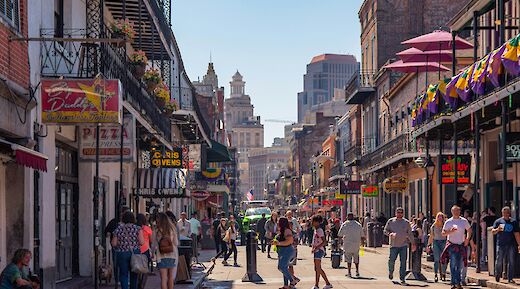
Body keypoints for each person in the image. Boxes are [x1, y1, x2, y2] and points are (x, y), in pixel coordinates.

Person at [112, 211, 145, 289]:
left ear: (123, 219)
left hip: (122, 253)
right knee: (134, 274)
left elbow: (114, 243)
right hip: (135, 252)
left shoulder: (118, 229)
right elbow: (142, 242)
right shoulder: (137, 228)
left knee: (123, 274)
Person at [442, 205, 472, 289]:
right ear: (452, 212)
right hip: (452, 245)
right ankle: (454, 282)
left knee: (459, 265)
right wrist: (450, 231)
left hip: (461, 245)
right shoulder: (448, 222)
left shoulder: (464, 221)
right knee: (453, 263)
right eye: (454, 211)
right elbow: (443, 233)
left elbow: (469, 230)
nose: (456, 212)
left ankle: (457, 282)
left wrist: (467, 239)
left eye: (458, 211)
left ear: (460, 212)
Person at [384, 207, 415, 285]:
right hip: (393, 245)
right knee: (391, 261)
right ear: (395, 213)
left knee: (403, 262)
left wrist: (413, 243)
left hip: (403, 245)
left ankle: (402, 278)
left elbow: (410, 234)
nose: (399, 214)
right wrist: (390, 234)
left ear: (403, 213)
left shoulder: (406, 222)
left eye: (401, 212)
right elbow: (385, 230)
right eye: (398, 212)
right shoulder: (391, 221)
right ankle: (391, 272)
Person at [491, 206, 520, 284]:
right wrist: (497, 229)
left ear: (509, 213)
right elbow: (493, 232)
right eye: (504, 213)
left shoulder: (513, 222)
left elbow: (516, 233)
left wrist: (519, 244)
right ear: (502, 213)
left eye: (507, 213)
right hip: (501, 244)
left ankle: (510, 278)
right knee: (499, 260)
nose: (506, 214)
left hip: (511, 244)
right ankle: (497, 275)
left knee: (511, 261)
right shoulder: (498, 221)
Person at [155, 212, 179, 289]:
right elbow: (176, 243)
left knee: (163, 278)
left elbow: (154, 244)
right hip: (172, 255)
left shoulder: (157, 230)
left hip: (161, 256)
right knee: (171, 278)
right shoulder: (172, 229)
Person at [273, 217, 297, 289]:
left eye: (278, 222)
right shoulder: (282, 230)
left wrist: (279, 243)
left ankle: (293, 280)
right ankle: (286, 285)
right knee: (284, 268)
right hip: (282, 251)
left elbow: (289, 241)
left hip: (287, 251)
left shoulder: (287, 231)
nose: (277, 223)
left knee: (282, 267)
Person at [338, 212, 364, 278]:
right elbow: (362, 235)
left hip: (347, 244)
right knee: (356, 258)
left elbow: (340, 234)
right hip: (356, 244)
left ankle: (349, 272)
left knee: (348, 259)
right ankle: (357, 271)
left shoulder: (344, 224)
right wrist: (362, 244)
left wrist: (339, 242)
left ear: (347, 217)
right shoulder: (358, 224)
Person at [311, 214, 333, 289]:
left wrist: (316, 247)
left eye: (313, 221)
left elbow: (324, 241)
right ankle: (317, 284)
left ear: (317, 222)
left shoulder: (319, 230)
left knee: (318, 268)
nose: (312, 222)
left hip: (319, 250)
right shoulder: (316, 230)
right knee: (317, 268)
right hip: (316, 250)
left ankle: (327, 283)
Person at [427, 212, 447, 282]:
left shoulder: (445, 225)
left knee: (443, 259)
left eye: (441, 217)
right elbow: (431, 236)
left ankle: (443, 273)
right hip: (436, 242)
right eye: (439, 216)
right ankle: (436, 274)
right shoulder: (433, 226)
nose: (440, 218)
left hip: (443, 242)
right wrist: (428, 245)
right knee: (436, 259)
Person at [136, 213, 153, 289]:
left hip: (137, 250)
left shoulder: (135, 228)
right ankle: (142, 284)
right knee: (145, 269)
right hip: (145, 250)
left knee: (136, 268)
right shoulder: (147, 228)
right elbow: (151, 240)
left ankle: (138, 281)